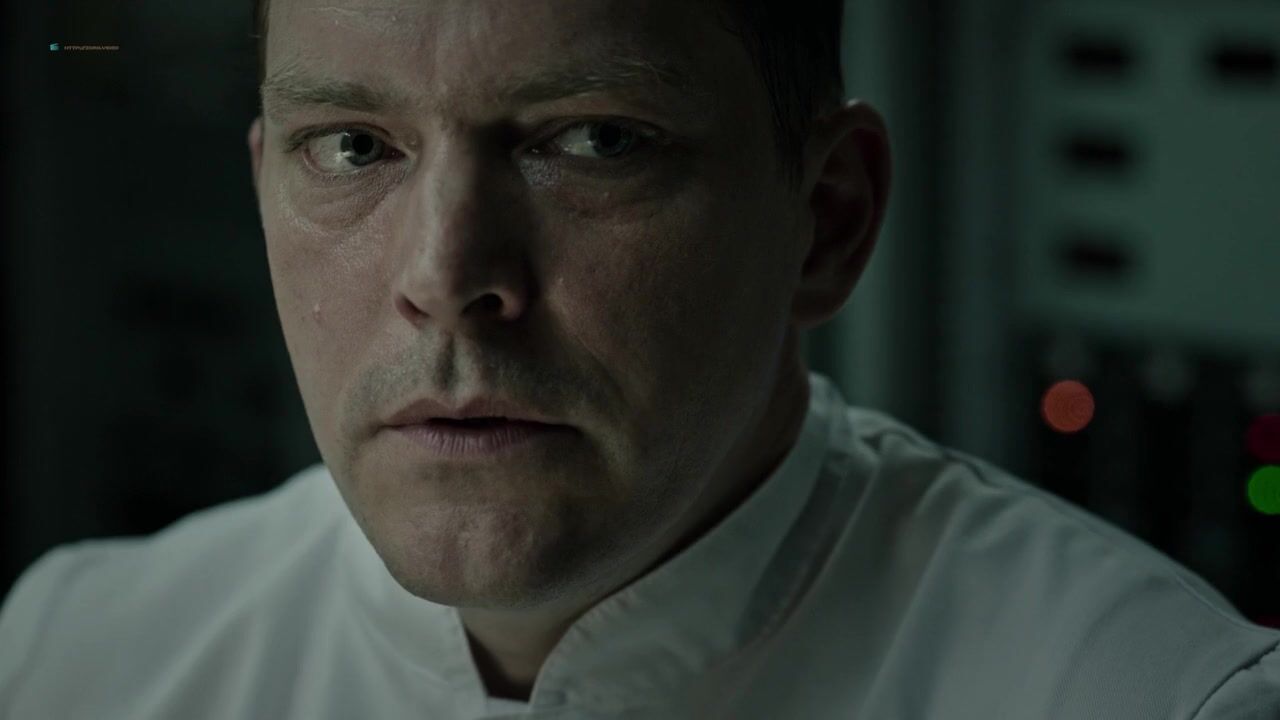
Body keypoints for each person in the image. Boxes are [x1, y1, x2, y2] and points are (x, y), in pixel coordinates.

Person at [2, 0, 1278, 717]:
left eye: (594, 141)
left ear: (827, 220)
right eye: (352, 148)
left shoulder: (1150, 701)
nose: (444, 277)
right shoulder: (75, 657)